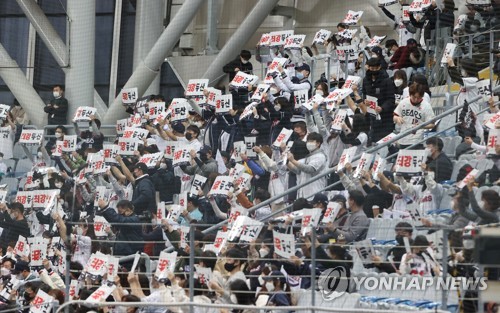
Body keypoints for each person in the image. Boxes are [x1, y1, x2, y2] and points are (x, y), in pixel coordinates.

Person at [96, 199, 144, 268]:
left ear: (128, 210)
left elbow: (117, 220)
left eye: (120, 212)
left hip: (130, 259)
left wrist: (105, 208)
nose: (119, 215)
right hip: (123, 258)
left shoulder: (134, 220)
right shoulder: (127, 221)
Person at [363, 57, 395, 143]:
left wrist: (382, 108)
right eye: (371, 68)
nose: (373, 70)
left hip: (385, 118)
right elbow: (364, 94)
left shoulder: (387, 81)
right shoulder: (365, 80)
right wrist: (365, 101)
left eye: (375, 68)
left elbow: (391, 99)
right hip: (372, 116)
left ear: (379, 67)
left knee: (385, 142)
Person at [393, 83, 435, 149]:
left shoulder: (426, 106)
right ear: (410, 95)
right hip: (403, 139)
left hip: (417, 140)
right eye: (414, 97)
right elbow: (395, 116)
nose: (416, 100)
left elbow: (432, 124)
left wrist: (421, 126)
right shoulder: (403, 102)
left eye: (418, 98)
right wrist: (397, 118)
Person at [287, 132, 327, 199]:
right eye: (308, 141)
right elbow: (297, 171)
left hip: (314, 194)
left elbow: (309, 169)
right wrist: (287, 161)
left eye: (311, 141)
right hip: (303, 194)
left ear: (318, 143)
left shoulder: (320, 156)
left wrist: (293, 160)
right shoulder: (307, 157)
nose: (308, 143)